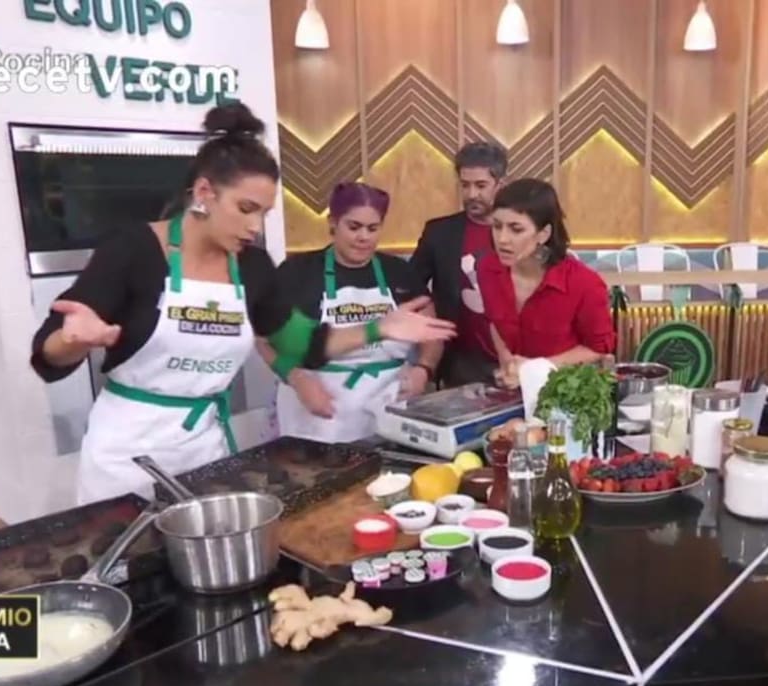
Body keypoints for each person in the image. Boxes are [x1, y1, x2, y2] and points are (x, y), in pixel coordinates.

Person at [31, 103, 454, 504]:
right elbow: (47, 354)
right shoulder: (134, 250)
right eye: (246, 209)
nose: (255, 227)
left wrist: (379, 328)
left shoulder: (252, 267)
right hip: (126, 454)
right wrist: (72, 342)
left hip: (203, 449)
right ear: (204, 193)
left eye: (264, 214)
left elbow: (300, 344)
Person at [272, 182, 443, 443]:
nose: (364, 237)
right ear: (333, 223)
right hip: (320, 413)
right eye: (354, 227)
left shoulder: (399, 272)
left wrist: (423, 369)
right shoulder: (297, 272)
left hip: (388, 407)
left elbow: (432, 331)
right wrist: (297, 379)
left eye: (373, 228)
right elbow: (267, 339)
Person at [477, 178, 615, 387]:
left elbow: (598, 349)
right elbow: (494, 323)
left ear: (543, 234)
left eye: (516, 229)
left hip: (565, 391)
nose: (502, 239)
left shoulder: (584, 284)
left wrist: (535, 369)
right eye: (497, 226)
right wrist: (508, 363)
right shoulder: (488, 269)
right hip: (512, 391)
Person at [409, 142, 508, 387]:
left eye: (481, 185)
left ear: (500, 185)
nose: (472, 194)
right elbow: (410, 287)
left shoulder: (519, 231)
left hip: (517, 358)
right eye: (465, 185)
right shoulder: (439, 233)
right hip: (459, 364)